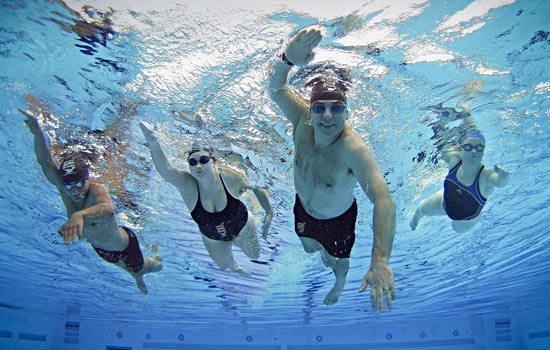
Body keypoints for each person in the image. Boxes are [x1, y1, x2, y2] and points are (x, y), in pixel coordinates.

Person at [268, 28, 396, 310]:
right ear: (311, 110)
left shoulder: (353, 150)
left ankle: (339, 282)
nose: (327, 116)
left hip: (338, 222)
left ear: (347, 113)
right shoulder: (302, 121)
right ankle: (321, 252)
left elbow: (383, 199)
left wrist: (380, 260)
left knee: (337, 262)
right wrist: (286, 61)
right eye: (320, 108)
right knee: (310, 246)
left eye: (336, 109)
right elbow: (275, 89)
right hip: (302, 210)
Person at [21, 109, 162, 294]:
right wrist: (38, 132)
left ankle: (157, 259)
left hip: (125, 246)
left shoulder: (97, 190)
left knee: (141, 268)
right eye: (69, 186)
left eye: (80, 183)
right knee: (126, 269)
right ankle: (136, 274)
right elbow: (46, 163)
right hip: (103, 250)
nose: (75, 190)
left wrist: (79, 215)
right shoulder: (65, 189)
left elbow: (108, 209)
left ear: (87, 179)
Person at [139, 122, 273, 277]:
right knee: (224, 266)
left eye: (203, 160)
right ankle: (235, 266)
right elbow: (165, 169)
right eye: (192, 162)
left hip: (242, 226)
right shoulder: (188, 185)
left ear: (214, 162)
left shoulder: (230, 177)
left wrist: (269, 211)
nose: (198, 166)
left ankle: (248, 225)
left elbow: (257, 186)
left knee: (254, 255)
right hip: (213, 236)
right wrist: (152, 139)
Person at [410, 129, 510, 233]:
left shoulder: (486, 175)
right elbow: (441, 149)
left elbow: (500, 183)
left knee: (457, 230)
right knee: (423, 209)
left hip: (465, 220)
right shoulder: (454, 160)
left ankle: (478, 216)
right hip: (444, 203)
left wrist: (504, 176)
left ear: (483, 151)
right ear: (461, 148)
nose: (473, 151)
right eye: (468, 147)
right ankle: (415, 220)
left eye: (479, 147)